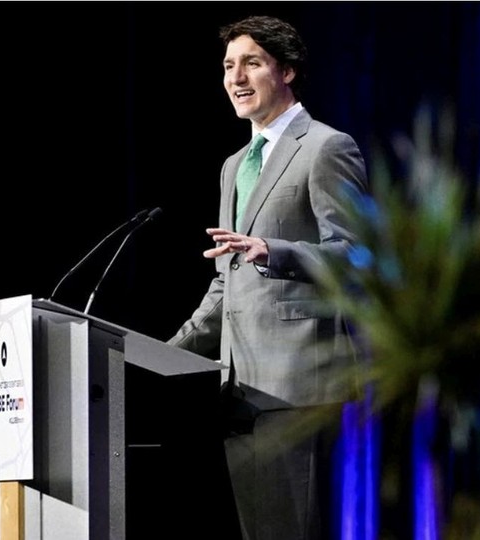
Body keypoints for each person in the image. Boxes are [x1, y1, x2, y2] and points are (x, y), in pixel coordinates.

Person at [167, 15, 369, 540]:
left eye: (252, 63)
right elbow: (225, 283)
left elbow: (355, 255)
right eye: (229, 66)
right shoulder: (234, 165)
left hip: (297, 387)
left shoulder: (326, 146)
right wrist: (162, 353)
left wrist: (273, 250)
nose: (236, 77)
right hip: (239, 388)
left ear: (288, 71)